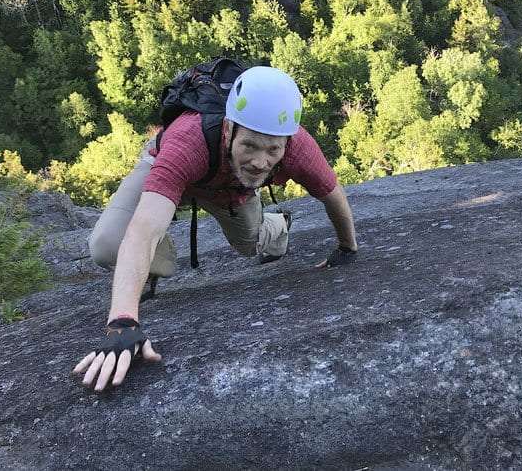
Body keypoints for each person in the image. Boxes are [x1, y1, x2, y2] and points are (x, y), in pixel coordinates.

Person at [73, 66, 359, 391]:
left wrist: (347, 248)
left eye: (273, 150)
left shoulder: (299, 148)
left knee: (249, 244)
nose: (260, 161)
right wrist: (122, 323)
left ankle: (277, 225)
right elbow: (142, 228)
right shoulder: (187, 141)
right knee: (109, 243)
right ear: (228, 129)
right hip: (176, 167)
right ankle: (148, 268)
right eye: (249, 145)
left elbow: (333, 197)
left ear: (287, 143)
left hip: (231, 188)